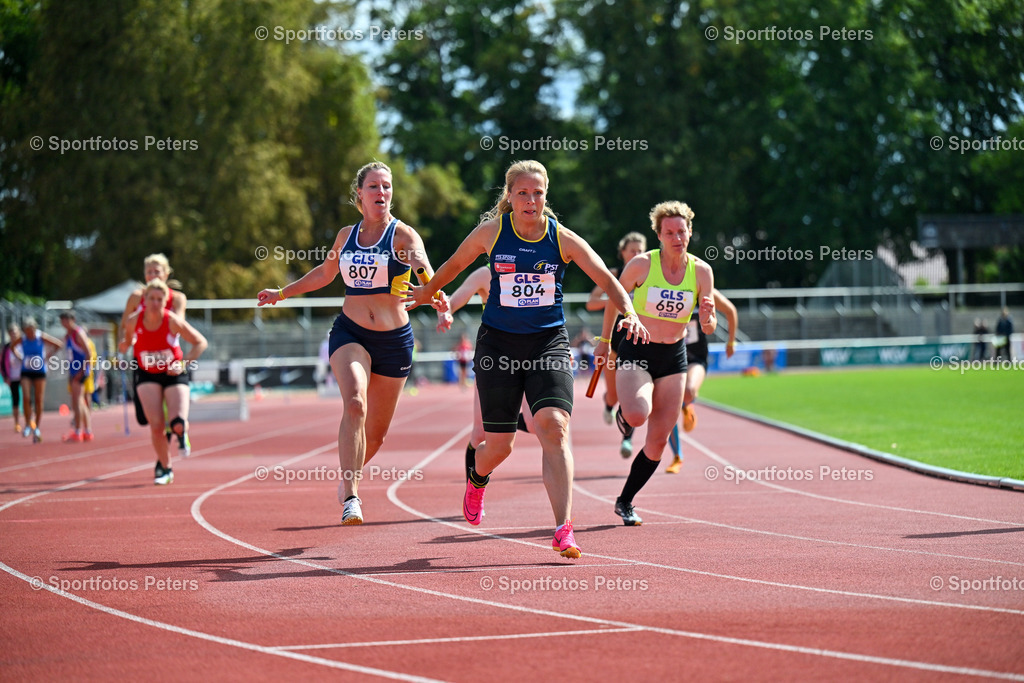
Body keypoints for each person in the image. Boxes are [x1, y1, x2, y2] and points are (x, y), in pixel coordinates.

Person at [405, 159, 649, 559]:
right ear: (510, 197)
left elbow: (607, 279)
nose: (531, 200)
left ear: (546, 196)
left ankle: (563, 529)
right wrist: (426, 291)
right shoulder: (491, 232)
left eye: (538, 193)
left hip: (547, 343)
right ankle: (477, 477)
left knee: (554, 427)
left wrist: (631, 314)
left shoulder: (562, 239)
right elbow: (453, 264)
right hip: (498, 347)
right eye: (522, 193)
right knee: (498, 447)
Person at [258, 161, 450, 525]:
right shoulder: (346, 236)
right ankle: (351, 497)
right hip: (351, 334)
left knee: (375, 437)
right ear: (359, 194)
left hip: (395, 342)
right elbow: (325, 274)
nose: (382, 193)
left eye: (387, 187)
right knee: (356, 404)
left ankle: (349, 474)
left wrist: (436, 296)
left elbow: (426, 269)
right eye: (374, 187)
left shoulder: (402, 236)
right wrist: (282, 293)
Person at [596, 201, 716, 526]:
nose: (676, 237)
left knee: (658, 442)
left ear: (689, 231)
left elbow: (708, 326)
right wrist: (606, 343)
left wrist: (707, 319)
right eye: (669, 232)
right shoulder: (640, 266)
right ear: (659, 235)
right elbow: (613, 300)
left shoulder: (701, 272)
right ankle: (623, 415)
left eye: (682, 231)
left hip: (674, 356)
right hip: (637, 348)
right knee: (637, 414)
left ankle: (625, 501)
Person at [443, 265, 534, 483]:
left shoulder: (535, 266)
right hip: (495, 359)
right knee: (480, 432)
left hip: (531, 355)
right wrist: (447, 311)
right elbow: (461, 294)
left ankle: (505, 421)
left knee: (534, 424)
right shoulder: (486, 273)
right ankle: (472, 489)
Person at [120, 280, 208, 485]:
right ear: (144, 300)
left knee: (176, 422)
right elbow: (128, 340)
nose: (155, 303)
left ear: (166, 301)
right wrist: (125, 345)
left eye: (160, 299)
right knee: (157, 425)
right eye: (151, 298)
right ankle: (166, 468)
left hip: (172, 372)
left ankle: (181, 431)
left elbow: (200, 342)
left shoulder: (171, 320)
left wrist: (183, 364)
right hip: (147, 373)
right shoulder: (134, 320)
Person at [120, 253, 191, 456]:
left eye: (157, 271)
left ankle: (176, 428)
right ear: (144, 274)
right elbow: (125, 324)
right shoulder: (136, 297)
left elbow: (179, 325)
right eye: (149, 271)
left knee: (167, 416)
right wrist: (125, 342)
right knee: (145, 418)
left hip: (169, 359)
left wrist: (156, 324)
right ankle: (169, 427)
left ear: (166, 274)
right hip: (143, 359)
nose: (153, 275)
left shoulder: (176, 298)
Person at [586, 232, 647, 457]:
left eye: (640, 250)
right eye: (632, 250)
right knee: (614, 394)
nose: (637, 254)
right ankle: (608, 403)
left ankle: (627, 439)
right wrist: (615, 299)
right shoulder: (614, 275)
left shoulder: (649, 275)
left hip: (638, 343)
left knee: (630, 395)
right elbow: (590, 302)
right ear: (622, 252)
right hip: (614, 344)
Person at [665, 289, 738, 473]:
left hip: (695, 358)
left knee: (689, 391)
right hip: (668, 357)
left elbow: (730, 311)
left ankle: (687, 404)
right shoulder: (660, 287)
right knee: (669, 406)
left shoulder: (703, 290)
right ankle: (677, 457)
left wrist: (731, 342)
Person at [16, 317, 63, 443]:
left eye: (31, 330)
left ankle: (36, 426)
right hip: (26, 371)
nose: (29, 333)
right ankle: (27, 424)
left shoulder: (40, 336)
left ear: (34, 329)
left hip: (39, 371)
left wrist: (48, 356)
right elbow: (12, 347)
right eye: (27, 331)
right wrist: (20, 357)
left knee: (38, 399)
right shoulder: (23, 339)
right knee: (26, 397)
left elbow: (58, 344)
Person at [58, 311, 96, 442]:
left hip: (80, 371)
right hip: (73, 370)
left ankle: (79, 431)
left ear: (73, 320)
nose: (65, 323)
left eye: (67, 320)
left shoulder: (78, 333)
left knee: (77, 400)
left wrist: (81, 371)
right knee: (79, 401)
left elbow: (88, 353)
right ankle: (87, 431)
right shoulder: (68, 335)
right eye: (62, 321)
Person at [2, 324, 24, 434]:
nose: (13, 335)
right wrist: (5, 376)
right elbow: (2, 363)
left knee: (27, 398)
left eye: (15, 332)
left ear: (19, 332)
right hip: (13, 377)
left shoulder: (23, 344)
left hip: (25, 375)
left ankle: (30, 420)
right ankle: (17, 423)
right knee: (15, 399)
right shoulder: (6, 347)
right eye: (11, 333)